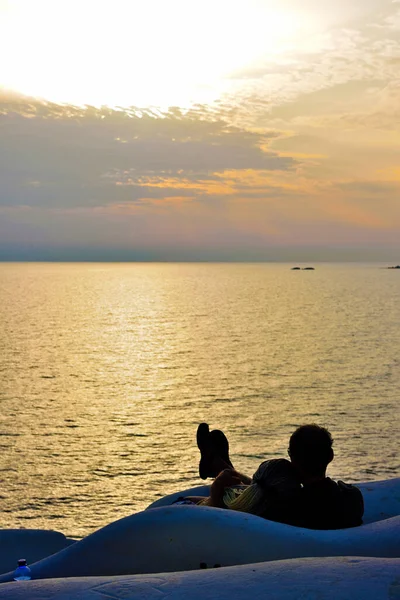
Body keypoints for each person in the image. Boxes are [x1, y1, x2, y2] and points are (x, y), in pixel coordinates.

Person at [188, 422, 364, 530]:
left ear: (292, 459)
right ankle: (221, 465)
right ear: (330, 456)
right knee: (261, 488)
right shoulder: (351, 497)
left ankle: (218, 466)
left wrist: (216, 490)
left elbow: (227, 523)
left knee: (188, 500)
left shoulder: (286, 507)